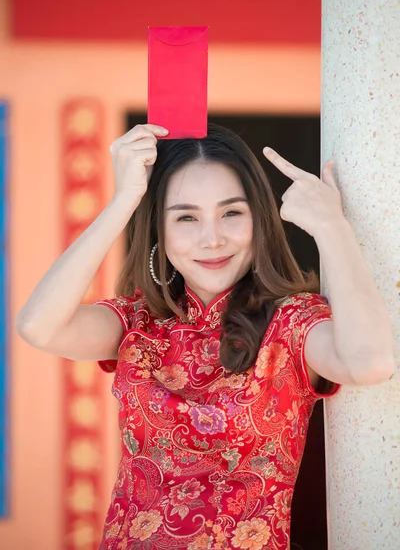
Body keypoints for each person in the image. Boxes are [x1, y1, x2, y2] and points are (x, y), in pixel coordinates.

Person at [16, 123, 395, 550]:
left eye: (232, 212)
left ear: (259, 220)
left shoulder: (291, 324)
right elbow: (38, 325)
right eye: (186, 217)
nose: (212, 238)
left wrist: (331, 227)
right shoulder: (138, 324)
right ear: (160, 230)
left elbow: (372, 361)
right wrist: (124, 200)